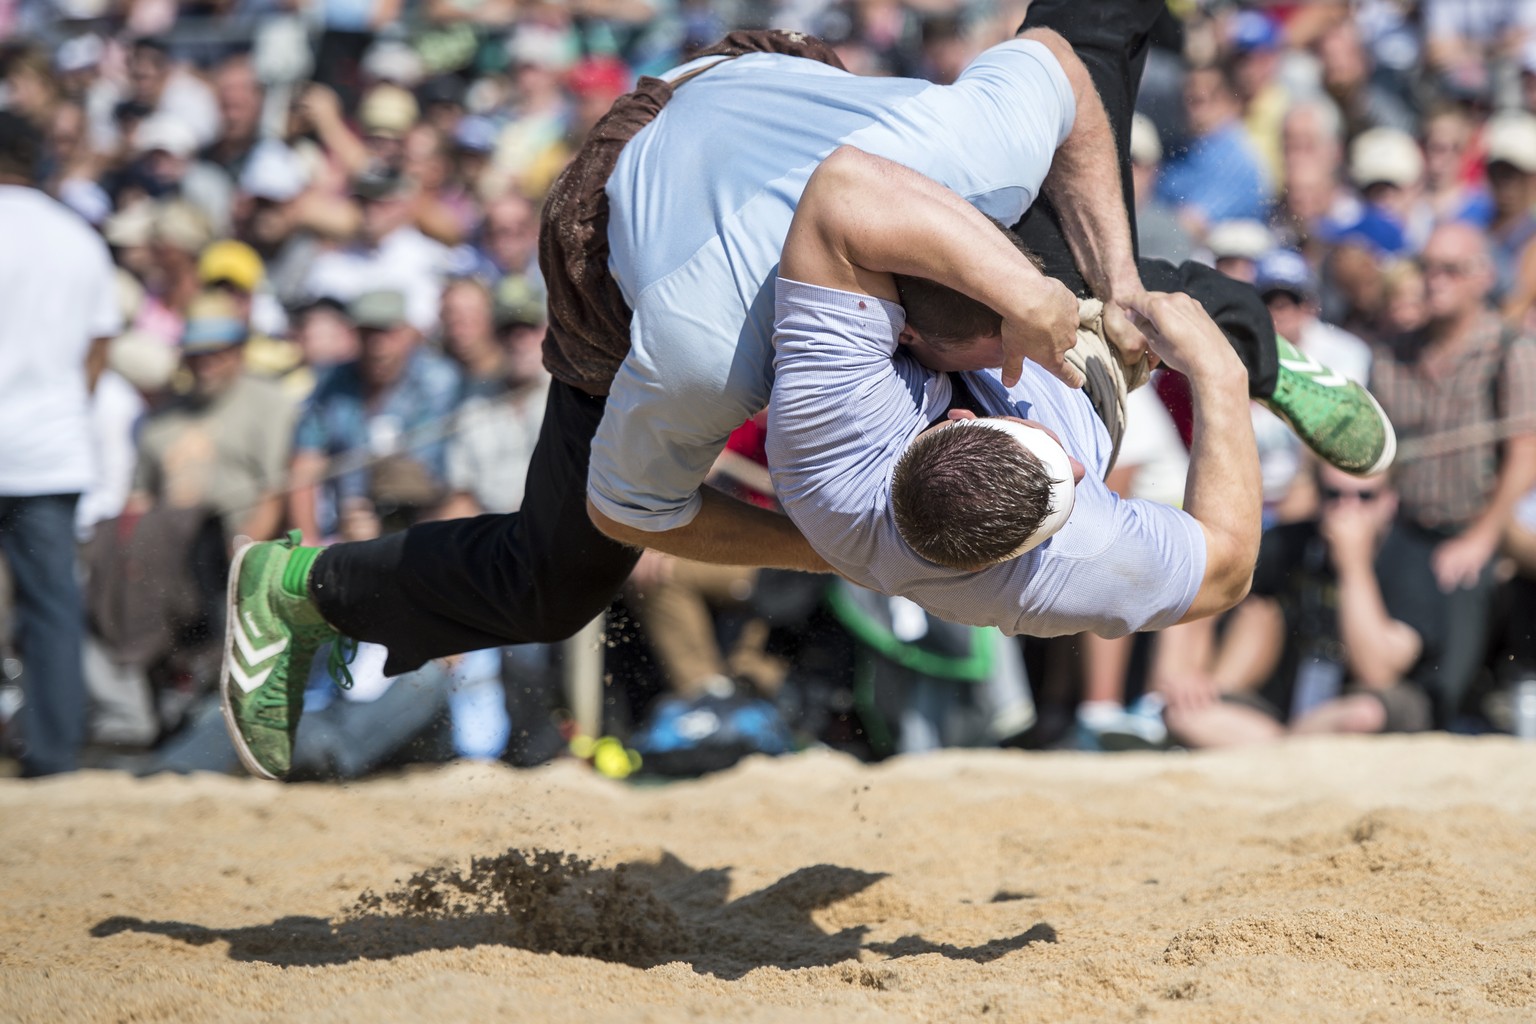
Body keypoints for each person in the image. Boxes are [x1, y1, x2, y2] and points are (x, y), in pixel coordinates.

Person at [220, 10, 1389, 780]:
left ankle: (1209, 330)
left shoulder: (923, 211)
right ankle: (304, 589)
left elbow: (859, 191)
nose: (1037, 349)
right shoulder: (698, 350)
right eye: (1016, 341)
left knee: (1100, 211)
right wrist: (1205, 369)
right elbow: (631, 511)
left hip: (774, 119)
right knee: (556, 572)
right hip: (626, 222)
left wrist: (1094, 292)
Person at [1370, 222, 1536, 722]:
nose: (1434, 280)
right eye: (1427, 268)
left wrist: (1483, 538)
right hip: (1405, 527)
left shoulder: (1510, 350)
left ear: (1483, 277)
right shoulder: (1390, 354)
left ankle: (1460, 711)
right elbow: (1372, 453)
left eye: (1450, 270)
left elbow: (1524, 455)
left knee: (1457, 642)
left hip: (1478, 525)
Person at [0, 111, 121, 776]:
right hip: (49, 448)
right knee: (50, 607)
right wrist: (63, 404)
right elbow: (100, 346)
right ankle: (53, 753)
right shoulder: (76, 237)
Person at [1158, 465, 1435, 748]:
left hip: (1365, 707)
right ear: (1318, 496)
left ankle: (1278, 747)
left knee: (1363, 716)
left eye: (1364, 497)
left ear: (1390, 502)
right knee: (1182, 714)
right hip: (1280, 716)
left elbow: (1377, 672)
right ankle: (1287, 746)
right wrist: (1184, 672)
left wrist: (1354, 565)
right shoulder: (1293, 542)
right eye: (1334, 494)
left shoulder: (1412, 558)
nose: (1347, 508)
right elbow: (1204, 585)